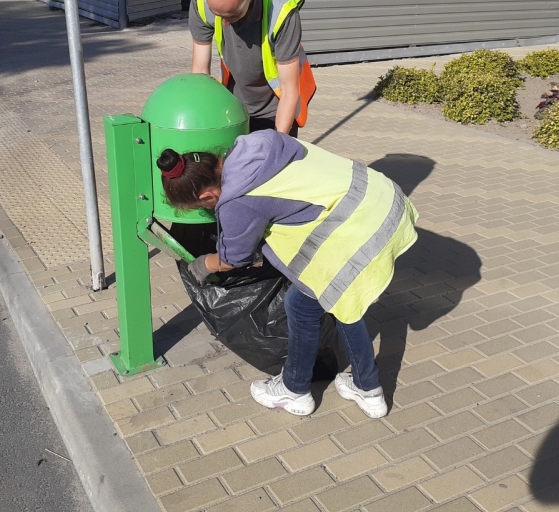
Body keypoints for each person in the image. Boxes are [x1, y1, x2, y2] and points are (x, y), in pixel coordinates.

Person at [156, 130, 419, 418]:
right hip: (382, 197)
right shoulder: (261, 144)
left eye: (203, 207)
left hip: (358, 227)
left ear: (208, 194)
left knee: (304, 305)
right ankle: (366, 386)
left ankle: (296, 391)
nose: (210, 210)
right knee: (340, 300)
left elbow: (234, 258)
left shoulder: (237, 201)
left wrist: (202, 265)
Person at [189, 0, 316, 136]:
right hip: (232, 108)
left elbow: (289, 90)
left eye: (232, 15)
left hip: (275, 109)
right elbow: (200, 72)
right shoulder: (203, 0)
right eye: (218, 15)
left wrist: (278, 141)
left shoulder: (282, 11)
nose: (225, 23)